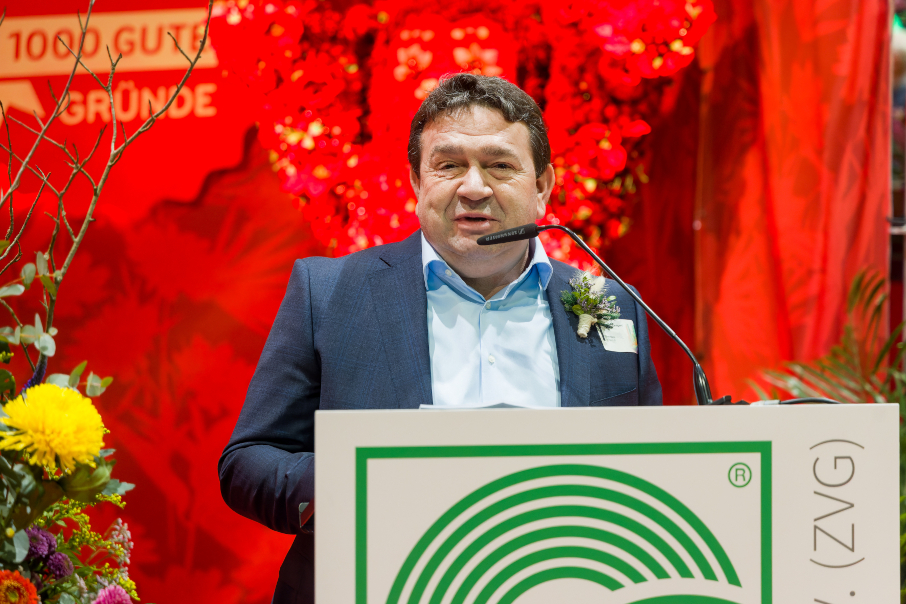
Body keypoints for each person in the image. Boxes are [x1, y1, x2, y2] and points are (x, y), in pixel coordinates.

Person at [218, 73, 662, 604]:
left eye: (500, 166)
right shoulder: (330, 292)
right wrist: (354, 483)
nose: (473, 187)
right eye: (449, 165)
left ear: (543, 185)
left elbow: (653, 463)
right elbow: (247, 461)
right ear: (416, 181)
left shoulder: (612, 305)